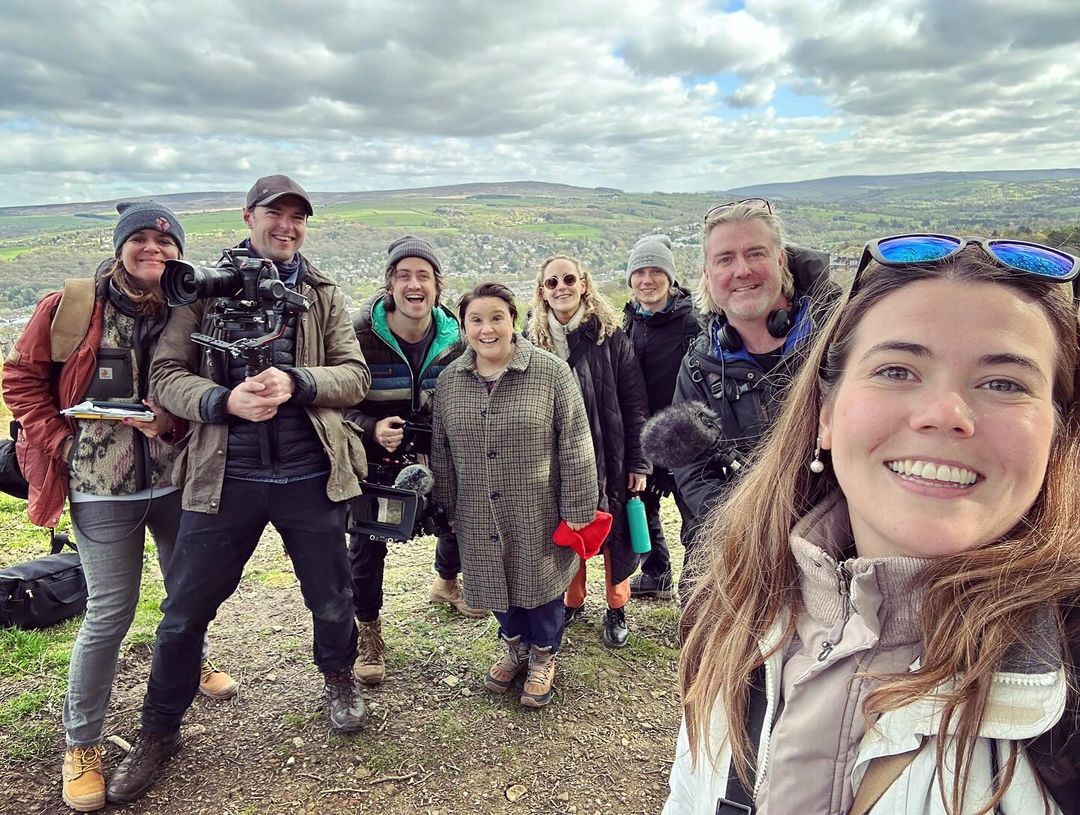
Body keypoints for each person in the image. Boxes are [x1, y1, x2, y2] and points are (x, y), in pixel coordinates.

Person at [664, 234, 1080, 813]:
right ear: (826, 414)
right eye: (897, 370)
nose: (944, 414)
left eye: (1005, 383)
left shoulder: (1068, 694)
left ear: (1059, 432)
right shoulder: (736, 611)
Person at [106, 175, 371, 805]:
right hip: (223, 477)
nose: (286, 225)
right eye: (274, 214)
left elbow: (353, 376)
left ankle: (339, 678)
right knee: (183, 614)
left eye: (297, 217)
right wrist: (223, 401)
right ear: (247, 216)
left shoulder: (321, 292)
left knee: (332, 594)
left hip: (312, 472)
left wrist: (297, 384)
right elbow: (166, 376)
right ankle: (159, 731)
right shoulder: (200, 289)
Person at [2, 202, 237, 813]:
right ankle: (81, 744)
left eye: (166, 240)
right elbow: (22, 379)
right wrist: (61, 442)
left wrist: (179, 421)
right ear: (120, 245)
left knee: (184, 594)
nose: (154, 249)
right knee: (110, 610)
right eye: (141, 238)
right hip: (100, 484)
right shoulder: (72, 306)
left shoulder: (191, 307)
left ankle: (193, 659)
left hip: (176, 477)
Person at [431, 282, 597, 707]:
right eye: (476, 320)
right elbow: (441, 450)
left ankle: (544, 655)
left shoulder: (550, 372)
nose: (487, 329)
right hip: (476, 510)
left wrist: (579, 506)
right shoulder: (451, 382)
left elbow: (576, 441)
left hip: (537, 508)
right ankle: (514, 646)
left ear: (512, 320)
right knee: (494, 585)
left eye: (496, 318)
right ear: (464, 326)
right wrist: (447, 507)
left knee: (540, 586)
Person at [672, 199, 837, 594]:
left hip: (833, 549)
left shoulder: (838, 341)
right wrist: (749, 530)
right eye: (725, 259)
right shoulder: (699, 365)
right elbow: (691, 469)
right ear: (708, 276)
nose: (741, 270)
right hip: (738, 550)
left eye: (755, 254)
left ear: (781, 261)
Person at [345, 234, 483, 688]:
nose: (414, 284)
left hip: (441, 454)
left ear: (437, 285)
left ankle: (446, 582)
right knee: (368, 546)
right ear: (389, 284)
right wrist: (370, 427)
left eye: (423, 275)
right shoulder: (358, 334)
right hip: (376, 459)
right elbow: (332, 401)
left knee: (460, 519)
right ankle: (368, 630)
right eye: (403, 275)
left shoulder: (458, 338)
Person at [526, 256, 650, 648]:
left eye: (568, 279)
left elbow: (634, 403)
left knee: (615, 531)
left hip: (608, 450)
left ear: (583, 284)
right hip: (555, 457)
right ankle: (572, 598)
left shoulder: (610, 335)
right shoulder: (531, 343)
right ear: (542, 293)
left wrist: (638, 461)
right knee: (567, 527)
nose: (561, 287)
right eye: (551, 282)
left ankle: (616, 606)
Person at [621, 234, 701, 600]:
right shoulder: (629, 322)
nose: (647, 280)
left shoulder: (692, 323)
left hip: (684, 439)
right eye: (639, 272)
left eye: (656, 271)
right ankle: (657, 574)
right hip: (644, 435)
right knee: (646, 507)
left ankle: (697, 591)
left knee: (695, 517)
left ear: (671, 278)